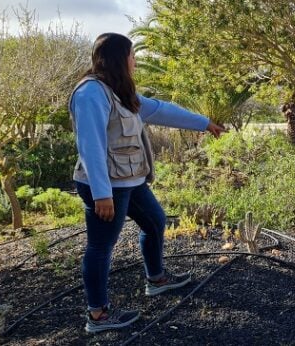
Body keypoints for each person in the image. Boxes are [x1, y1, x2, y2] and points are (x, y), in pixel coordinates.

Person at [70, 33, 225, 333]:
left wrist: (204, 122)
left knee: (155, 221)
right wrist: (102, 195)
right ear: (118, 58)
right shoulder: (91, 93)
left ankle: (156, 279)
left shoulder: (120, 92)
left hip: (129, 181)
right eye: (132, 55)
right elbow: (90, 145)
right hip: (105, 187)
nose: (135, 61)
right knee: (101, 247)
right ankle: (98, 316)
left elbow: (162, 109)